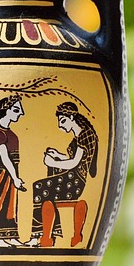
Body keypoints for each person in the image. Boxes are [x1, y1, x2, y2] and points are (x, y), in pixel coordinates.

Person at [31, 102, 99, 248]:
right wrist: (58, 156)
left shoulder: (85, 135)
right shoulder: (78, 136)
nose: (60, 126)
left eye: (63, 121)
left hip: (75, 181)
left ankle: (42, 235)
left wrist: (53, 162)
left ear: (72, 117)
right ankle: (48, 234)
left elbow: (74, 163)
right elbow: (73, 159)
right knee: (44, 189)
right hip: (71, 177)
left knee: (39, 187)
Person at [0, 95, 26, 247]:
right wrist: (15, 177)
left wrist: (15, 176)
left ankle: (12, 236)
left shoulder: (8, 131)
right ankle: (1, 239)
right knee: (3, 205)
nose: (21, 113)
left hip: (12, 171)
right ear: (6, 110)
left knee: (12, 206)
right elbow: (4, 157)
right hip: (3, 172)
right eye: (16, 110)